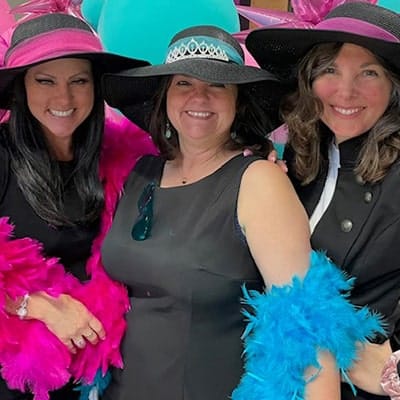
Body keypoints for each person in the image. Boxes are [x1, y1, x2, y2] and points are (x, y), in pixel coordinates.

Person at [100, 24, 381, 400]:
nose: (199, 97)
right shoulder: (138, 175)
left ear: (237, 101)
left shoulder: (258, 180)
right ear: (165, 96)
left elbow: (305, 320)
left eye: (217, 85)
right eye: (184, 83)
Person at [245, 2, 400, 399]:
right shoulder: (299, 156)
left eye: (369, 72)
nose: (345, 91)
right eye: (329, 70)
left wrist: (396, 373)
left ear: (394, 86)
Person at [0, 12, 154, 400]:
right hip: (16, 379)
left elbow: (190, 166)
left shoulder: (116, 161)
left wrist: (251, 156)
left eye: (79, 81)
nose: (63, 99)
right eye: (45, 80)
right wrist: (37, 307)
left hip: (94, 379)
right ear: (21, 88)